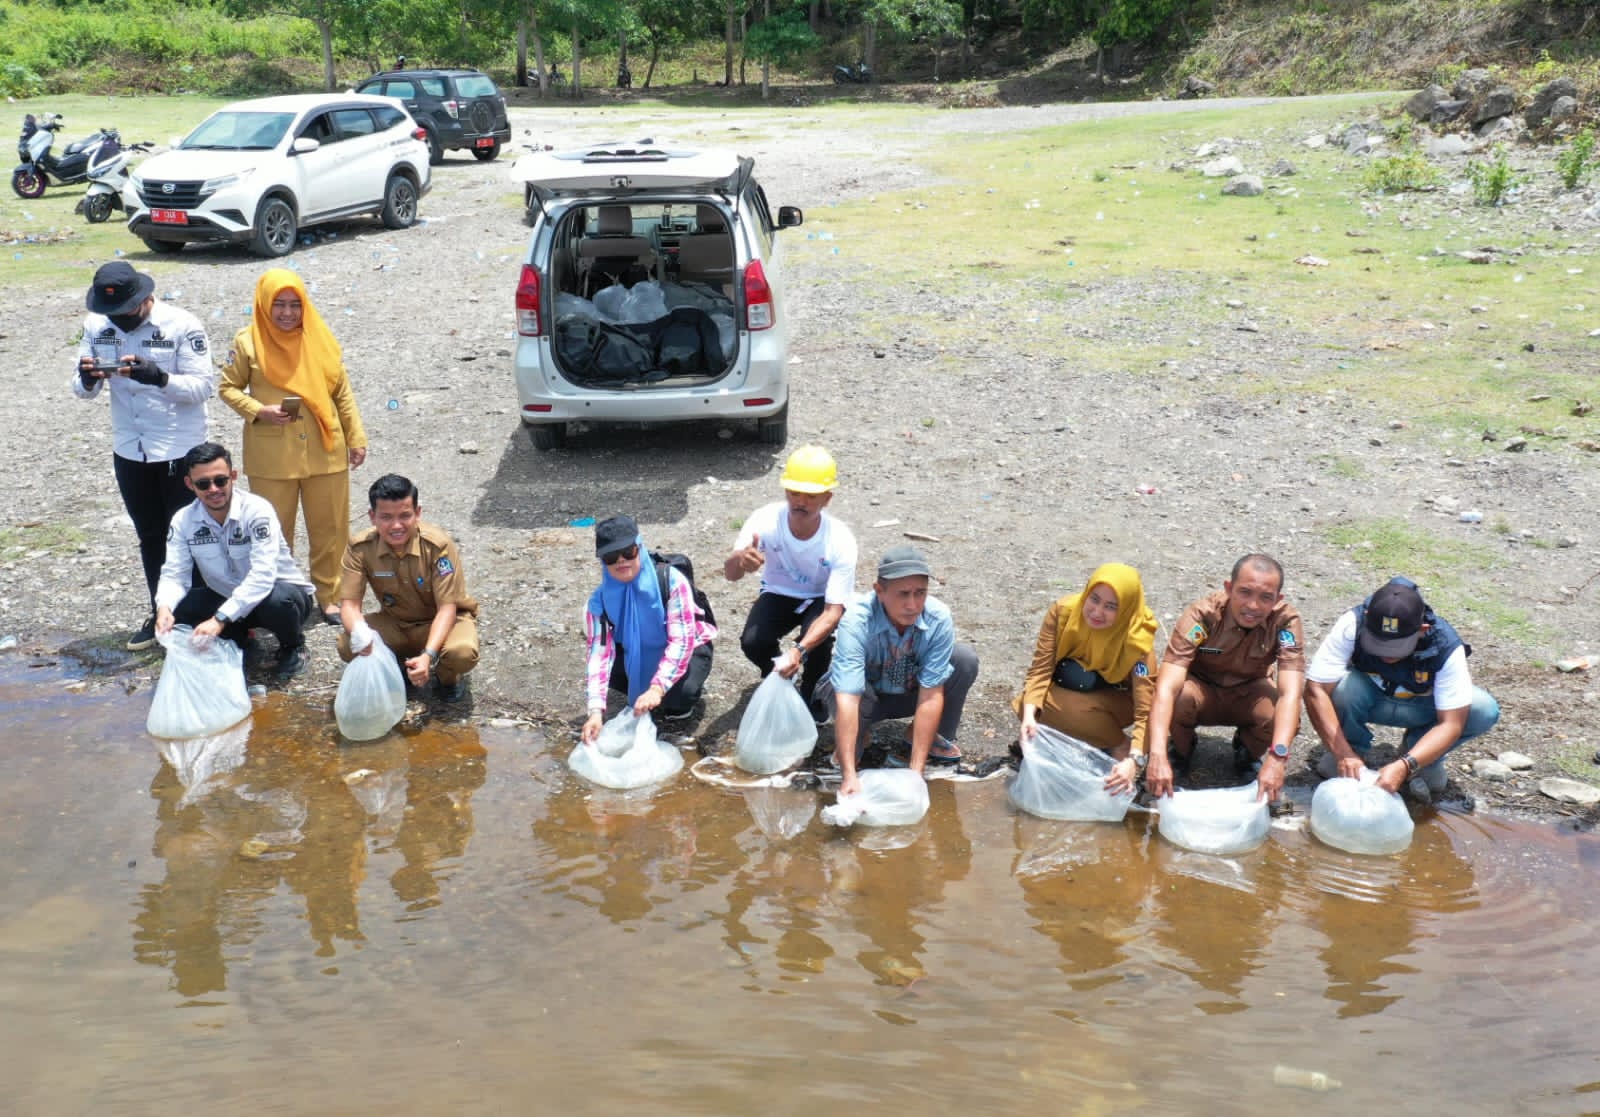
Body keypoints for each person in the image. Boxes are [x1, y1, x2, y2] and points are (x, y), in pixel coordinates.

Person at [74, 261, 217, 651]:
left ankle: (203, 616)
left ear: (145, 299)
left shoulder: (182, 324)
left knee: (190, 535)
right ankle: (161, 613)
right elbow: (81, 389)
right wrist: (87, 378)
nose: (117, 322)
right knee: (150, 536)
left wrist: (159, 378)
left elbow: (203, 386)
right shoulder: (95, 325)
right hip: (129, 449)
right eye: (111, 315)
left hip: (178, 447)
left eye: (125, 313)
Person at [220, 269, 368, 627]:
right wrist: (260, 411)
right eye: (279, 305)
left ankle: (331, 597)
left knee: (330, 529)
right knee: (274, 532)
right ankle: (280, 598)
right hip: (272, 457)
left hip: (325, 448)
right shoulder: (247, 342)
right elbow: (228, 388)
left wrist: (356, 436)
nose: (287, 313)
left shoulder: (319, 339)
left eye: (294, 305)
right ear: (264, 305)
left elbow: (341, 393)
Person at [1303, 577, 1501, 803]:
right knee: (1342, 688)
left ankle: (1417, 752)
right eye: (1377, 642)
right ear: (1367, 620)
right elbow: (1314, 689)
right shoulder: (1352, 623)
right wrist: (1343, 753)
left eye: (1397, 646)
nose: (1387, 654)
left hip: (1422, 707)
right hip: (1367, 698)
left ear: (1422, 629)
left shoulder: (1446, 644)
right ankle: (1352, 750)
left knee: (1482, 709)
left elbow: (1451, 723)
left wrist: (1406, 765)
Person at [813, 545, 981, 797]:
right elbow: (848, 697)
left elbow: (931, 693)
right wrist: (848, 776)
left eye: (920, 593)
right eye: (903, 594)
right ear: (879, 591)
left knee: (963, 660)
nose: (912, 604)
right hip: (863, 698)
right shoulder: (857, 619)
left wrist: (915, 774)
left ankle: (926, 739)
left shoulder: (938, 618)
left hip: (908, 691)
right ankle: (857, 740)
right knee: (845, 691)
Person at [1144, 554, 1306, 802]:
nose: (1253, 606)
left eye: (1265, 597)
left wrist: (1278, 757)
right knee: (1178, 698)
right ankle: (1181, 749)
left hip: (1249, 691)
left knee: (1284, 716)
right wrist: (1156, 755)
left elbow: (1290, 693)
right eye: (1245, 592)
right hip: (1200, 691)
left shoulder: (1285, 622)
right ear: (1229, 588)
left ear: (1277, 599)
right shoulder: (1202, 615)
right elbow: (1166, 686)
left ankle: (1248, 752)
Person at [153, 442, 315, 677]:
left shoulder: (258, 510)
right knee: (182, 609)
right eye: (203, 484)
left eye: (220, 480)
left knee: (278, 602)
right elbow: (174, 574)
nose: (213, 489)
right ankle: (240, 641)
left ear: (233, 476)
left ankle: (293, 646)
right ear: (189, 484)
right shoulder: (183, 520)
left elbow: (263, 576)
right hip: (227, 596)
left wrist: (219, 619)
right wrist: (164, 608)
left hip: (277, 594)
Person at [723, 445, 857, 713]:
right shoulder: (765, 520)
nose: (800, 501)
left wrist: (799, 650)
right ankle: (779, 673)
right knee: (752, 641)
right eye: (794, 492)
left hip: (820, 596)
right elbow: (730, 574)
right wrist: (740, 561)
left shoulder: (840, 539)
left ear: (827, 498)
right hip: (779, 592)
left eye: (811, 495)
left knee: (817, 641)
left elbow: (833, 611)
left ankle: (812, 690)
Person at [1014, 563, 1159, 795]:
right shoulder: (1062, 612)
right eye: (1094, 599)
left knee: (1076, 710)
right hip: (1073, 688)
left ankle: (1116, 743)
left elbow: (1146, 709)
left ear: (1125, 610)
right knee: (1026, 705)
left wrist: (1134, 760)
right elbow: (1040, 670)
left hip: (1118, 702)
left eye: (1111, 607)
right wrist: (1030, 716)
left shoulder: (1138, 640)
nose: (1097, 612)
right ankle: (1076, 741)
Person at [336, 474, 480, 702]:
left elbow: (446, 610)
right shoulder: (360, 548)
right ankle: (396, 669)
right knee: (347, 644)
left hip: (442, 620)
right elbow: (350, 606)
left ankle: (447, 678)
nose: (396, 526)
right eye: (386, 517)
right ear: (372, 516)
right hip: (397, 622)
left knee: (461, 653)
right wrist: (361, 635)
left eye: (405, 516)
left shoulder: (437, 546)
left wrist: (429, 655)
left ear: (418, 513)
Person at [582, 515, 716, 740]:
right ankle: (647, 687)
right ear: (603, 562)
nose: (621, 561)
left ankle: (680, 691)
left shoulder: (671, 581)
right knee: (615, 678)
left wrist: (657, 688)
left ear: (640, 547)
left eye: (629, 552)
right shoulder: (600, 600)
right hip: (637, 652)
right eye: (611, 556)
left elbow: (681, 641)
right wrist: (595, 712)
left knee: (679, 700)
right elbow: (599, 653)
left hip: (688, 647)